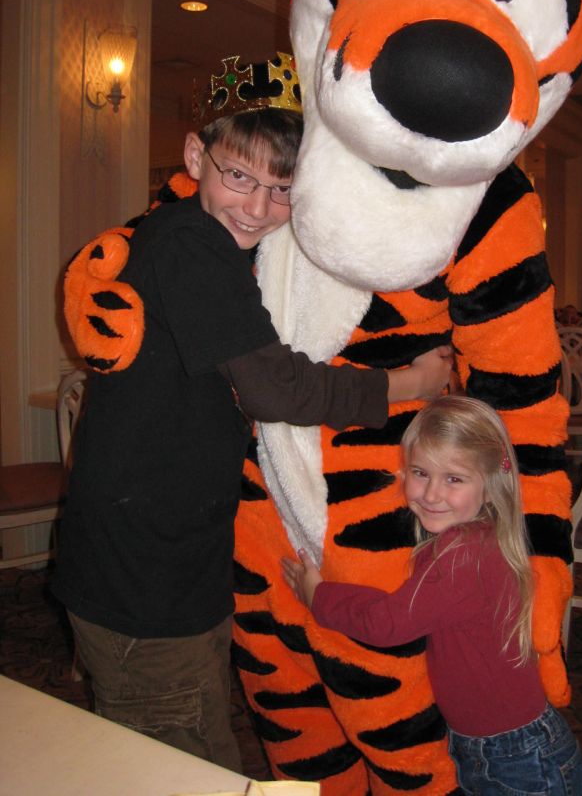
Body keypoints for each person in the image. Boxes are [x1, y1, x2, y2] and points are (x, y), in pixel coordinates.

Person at [52, 66, 453, 772]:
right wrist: (407, 382)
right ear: (195, 158)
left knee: (184, 735)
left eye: (282, 189)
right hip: (142, 568)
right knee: (178, 759)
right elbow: (273, 388)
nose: (259, 207)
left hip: (163, 550)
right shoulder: (190, 244)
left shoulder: (209, 244)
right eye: (239, 177)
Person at [283, 395, 582, 796]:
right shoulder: (478, 536)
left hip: (517, 759)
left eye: (454, 479)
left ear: (490, 484)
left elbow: (387, 622)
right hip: (501, 749)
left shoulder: (463, 554)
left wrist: (317, 593)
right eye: (420, 472)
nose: (431, 494)